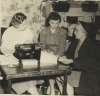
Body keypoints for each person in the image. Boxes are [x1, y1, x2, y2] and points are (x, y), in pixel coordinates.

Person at [0, 12, 40, 95]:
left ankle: (32, 90)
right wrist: (5, 51)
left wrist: (32, 42)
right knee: (24, 79)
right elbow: (3, 47)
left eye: (26, 23)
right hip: (13, 60)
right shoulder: (8, 32)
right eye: (23, 25)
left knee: (30, 74)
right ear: (16, 25)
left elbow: (34, 41)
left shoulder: (27, 30)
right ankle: (32, 91)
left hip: (25, 59)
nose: (25, 26)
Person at [58, 21, 99, 96]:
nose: (74, 32)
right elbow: (68, 54)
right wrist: (65, 57)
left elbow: (88, 63)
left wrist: (71, 61)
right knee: (58, 76)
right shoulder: (75, 42)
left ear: (84, 32)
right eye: (74, 30)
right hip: (75, 69)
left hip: (87, 73)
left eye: (77, 30)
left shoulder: (93, 45)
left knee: (64, 76)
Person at [40, 12, 67, 95]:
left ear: (59, 22)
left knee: (57, 67)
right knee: (49, 67)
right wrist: (47, 53)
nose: (54, 25)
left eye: (57, 23)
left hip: (59, 54)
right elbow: (42, 46)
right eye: (52, 23)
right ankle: (52, 88)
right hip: (48, 54)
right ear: (48, 22)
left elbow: (62, 47)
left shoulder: (63, 32)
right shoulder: (43, 31)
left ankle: (51, 86)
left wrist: (57, 56)